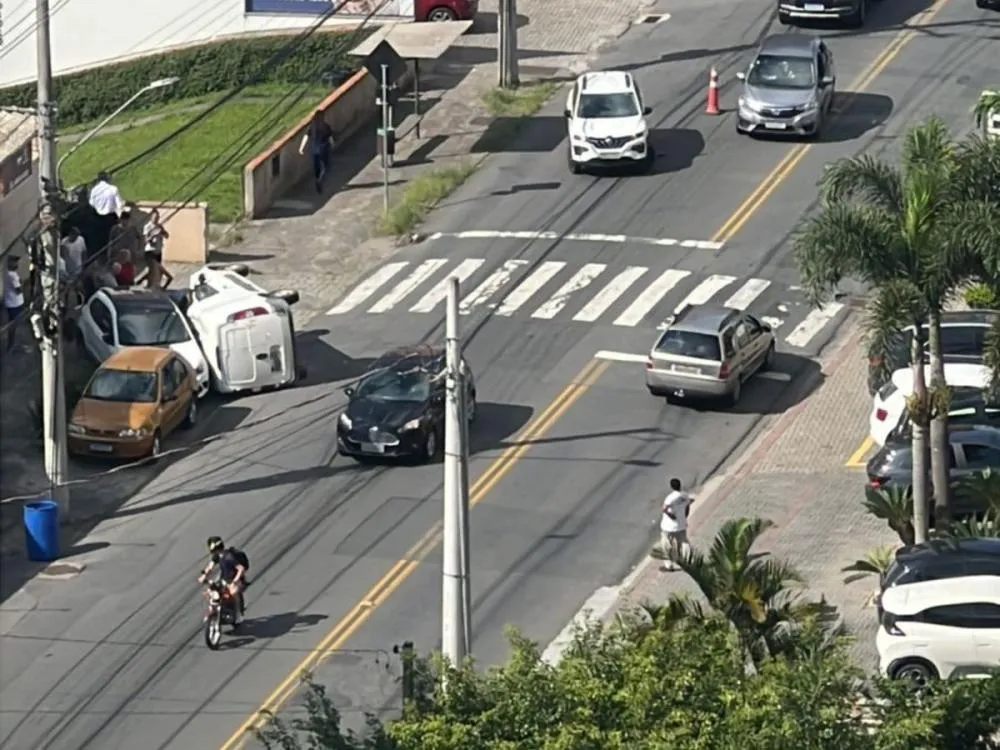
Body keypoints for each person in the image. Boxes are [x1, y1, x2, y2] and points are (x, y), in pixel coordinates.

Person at [197, 536, 249, 618]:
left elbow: (241, 569)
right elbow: (210, 567)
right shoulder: (217, 556)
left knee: (233, 592)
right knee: (210, 591)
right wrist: (204, 576)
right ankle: (213, 609)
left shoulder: (229, 557)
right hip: (224, 579)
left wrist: (234, 582)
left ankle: (239, 612)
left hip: (235, 579)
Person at [660, 477, 694, 572]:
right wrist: (684, 516)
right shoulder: (685, 496)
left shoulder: (670, 498)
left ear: (671, 486)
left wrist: (671, 516)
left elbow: (664, 509)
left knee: (667, 544)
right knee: (684, 542)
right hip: (681, 524)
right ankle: (688, 560)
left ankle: (669, 565)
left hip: (668, 526)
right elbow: (687, 507)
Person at [88, 172, 125, 256]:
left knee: (99, 240)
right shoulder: (113, 189)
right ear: (107, 178)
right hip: (110, 218)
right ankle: (110, 257)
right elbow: (119, 205)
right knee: (111, 240)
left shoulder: (94, 190)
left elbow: (91, 204)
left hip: (97, 218)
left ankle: (99, 258)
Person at [298, 111, 334, 193]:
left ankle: (317, 179)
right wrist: (332, 145)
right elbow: (330, 138)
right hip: (324, 149)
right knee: (326, 166)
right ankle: (320, 180)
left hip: (314, 149)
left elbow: (306, 137)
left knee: (317, 167)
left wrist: (301, 148)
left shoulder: (312, 127)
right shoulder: (326, 127)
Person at [3, 255, 25, 353]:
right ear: (10, 263)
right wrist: (23, 284)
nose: (17, 264)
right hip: (15, 304)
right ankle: (11, 346)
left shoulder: (8, 274)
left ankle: (12, 344)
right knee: (13, 325)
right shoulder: (13, 275)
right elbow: (18, 290)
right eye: (14, 262)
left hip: (11, 303)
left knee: (14, 324)